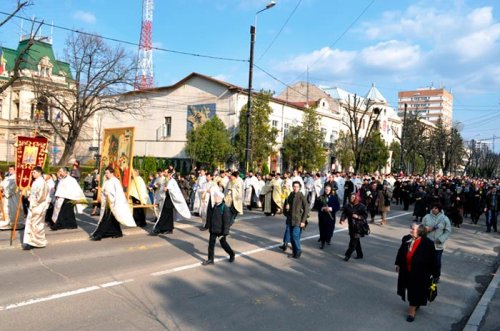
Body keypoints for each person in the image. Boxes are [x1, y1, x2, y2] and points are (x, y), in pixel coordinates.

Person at [395, 223, 438, 322]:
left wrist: (435, 274)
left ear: (420, 231)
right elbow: (401, 251)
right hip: (407, 270)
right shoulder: (406, 238)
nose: (410, 230)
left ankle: (411, 312)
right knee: (409, 288)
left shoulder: (428, 243)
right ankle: (416, 303)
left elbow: (434, 260)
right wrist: (398, 263)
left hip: (420, 273)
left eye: (413, 229)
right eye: (411, 228)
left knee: (414, 290)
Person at [90, 166, 137, 241]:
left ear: (112, 173)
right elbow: (103, 191)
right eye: (105, 173)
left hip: (112, 203)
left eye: (107, 173)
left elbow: (119, 194)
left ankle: (99, 235)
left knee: (105, 220)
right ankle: (117, 232)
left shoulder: (116, 181)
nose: (106, 174)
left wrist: (114, 202)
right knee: (113, 220)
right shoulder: (106, 181)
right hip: (107, 203)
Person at [150, 169, 191, 235]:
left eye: (165, 172)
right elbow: (161, 189)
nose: (164, 173)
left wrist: (168, 189)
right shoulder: (166, 180)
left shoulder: (172, 181)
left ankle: (157, 230)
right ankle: (168, 229)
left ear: (169, 173)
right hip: (165, 199)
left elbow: (175, 191)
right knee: (168, 215)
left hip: (170, 199)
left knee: (164, 215)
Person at [202, 191, 235, 265]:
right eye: (214, 196)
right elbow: (211, 217)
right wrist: (209, 226)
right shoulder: (215, 206)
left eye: (216, 197)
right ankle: (210, 260)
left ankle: (231, 254)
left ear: (220, 198)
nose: (215, 198)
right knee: (211, 245)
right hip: (213, 229)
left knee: (224, 244)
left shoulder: (224, 207)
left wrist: (225, 232)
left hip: (221, 231)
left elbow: (226, 221)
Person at [422, 204, 452, 283]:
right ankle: (426, 274)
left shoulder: (444, 219)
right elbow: (421, 229)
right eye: (433, 208)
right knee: (426, 260)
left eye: (436, 208)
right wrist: (425, 230)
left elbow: (448, 231)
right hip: (427, 243)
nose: (434, 209)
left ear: (439, 209)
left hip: (438, 245)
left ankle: (436, 276)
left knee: (437, 261)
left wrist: (441, 239)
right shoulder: (426, 217)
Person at [22, 166, 50, 250]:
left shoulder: (42, 182)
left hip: (38, 206)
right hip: (34, 205)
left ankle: (35, 242)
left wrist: (31, 200)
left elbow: (42, 197)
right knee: (31, 224)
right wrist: (26, 193)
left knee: (36, 224)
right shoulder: (36, 182)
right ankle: (31, 241)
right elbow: (33, 193)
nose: (32, 174)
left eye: (34, 172)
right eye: (32, 173)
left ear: (39, 173)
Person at [283, 181, 309, 259]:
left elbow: (306, 209)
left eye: (297, 186)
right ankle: (294, 252)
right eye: (294, 186)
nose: (295, 188)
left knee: (295, 235)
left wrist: (303, 221)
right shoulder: (290, 196)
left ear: (299, 187)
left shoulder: (301, 196)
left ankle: (298, 250)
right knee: (291, 237)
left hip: (298, 220)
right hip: (290, 220)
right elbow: (285, 207)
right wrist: (286, 209)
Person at [340, 193, 368, 261]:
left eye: (353, 197)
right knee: (356, 240)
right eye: (350, 197)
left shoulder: (361, 206)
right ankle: (360, 254)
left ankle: (347, 255)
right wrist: (342, 219)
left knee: (353, 242)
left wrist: (358, 217)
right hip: (351, 226)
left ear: (356, 198)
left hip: (358, 226)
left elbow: (365, 216)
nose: (351, 198)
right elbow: (344, 213)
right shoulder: (348, 205)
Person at [315, 184, 340, 249]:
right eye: (326, 189)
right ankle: (322, 242)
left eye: (329, 189)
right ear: (324, 189)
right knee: (322, 229)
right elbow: (316, 206)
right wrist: (322, 208)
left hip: (331, 216)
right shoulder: (320, 197)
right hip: (322, 216)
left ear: (331, 190)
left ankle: (328, 238)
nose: (327, 191)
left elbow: (337, 207)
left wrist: (331, 208)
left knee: (330, 229)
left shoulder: (334, 197)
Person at [0, 165, 21, 230]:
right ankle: (7, 222)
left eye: (11, 169)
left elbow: (13, 188)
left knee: (12, 209)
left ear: (15, 170)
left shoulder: (16, 178)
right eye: (9, 169)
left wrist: (5, 192)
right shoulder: (8, 177)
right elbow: (2, 184)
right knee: (5, 209)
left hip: (13, 197)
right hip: (6, 197)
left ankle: (13, 223)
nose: (10, 171)